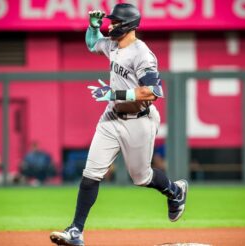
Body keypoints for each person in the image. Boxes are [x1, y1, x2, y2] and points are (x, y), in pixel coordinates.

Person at [50, 3, 188, 246]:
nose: (109, 25)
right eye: (109, 21)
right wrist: (92, 28)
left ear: (127, 25)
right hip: (111, 118)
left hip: (139, 121)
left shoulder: (141, 53)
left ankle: (175, 191)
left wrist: (115, 95)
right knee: (91, 173)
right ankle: (76, 231)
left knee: (141, 177)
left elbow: (154, 92)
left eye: (114, 22)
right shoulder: (113, 44)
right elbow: (93, 43)